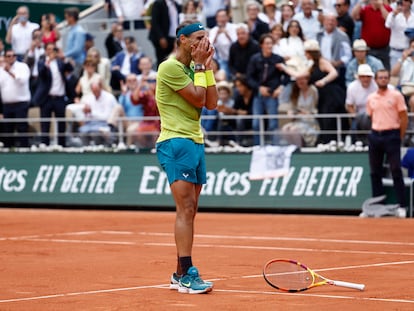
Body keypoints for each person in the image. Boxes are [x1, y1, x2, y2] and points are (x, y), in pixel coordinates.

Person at [155, 20, 217, 294]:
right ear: (182, 40)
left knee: (191, 211)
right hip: (175, 142)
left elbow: (213, 103)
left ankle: (180, 273)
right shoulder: (169, 67)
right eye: (198, 38)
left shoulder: (196, 68)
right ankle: (187, 271)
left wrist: (208, 68)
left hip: (195, 141)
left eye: (206, 37)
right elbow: (197, 99)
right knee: (186, 208)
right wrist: (202, 68)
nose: (203, 42)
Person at [366, 69, 408, 215]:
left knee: (396, 170)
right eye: (380, 78)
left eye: (385, 77)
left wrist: (399, 135)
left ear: (389, 79)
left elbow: (404, 118)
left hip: (392, 135)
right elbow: (371, 116)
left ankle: (402, 205)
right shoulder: (371, 97)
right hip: (375, 135)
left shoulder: (396, 95)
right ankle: (377, 206)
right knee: (375, 172)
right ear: (376, 80)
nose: (383, 80)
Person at [246, 33, 289, 145]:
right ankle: (257, 146)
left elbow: (287, 76)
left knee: (273, 123)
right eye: (267, 43)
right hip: (259, 94)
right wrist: (259, 88)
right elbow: (249, 77)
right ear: (261, 45)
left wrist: (281, 88)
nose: (269, 46)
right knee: (256, 123)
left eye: (271, 43)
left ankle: (273, 146)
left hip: (272, 93)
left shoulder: (278, 59)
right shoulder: (255, 59)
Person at [32, 43, 68, 146]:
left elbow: (69, 68)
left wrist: (63, 56)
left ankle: (62, 145)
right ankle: (45, 145)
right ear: (46, 51)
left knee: (61, 123)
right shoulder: (42, 62)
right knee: (45, 123)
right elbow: (41, 73)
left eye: (53, 50)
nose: (51, 52)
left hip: (59, 97)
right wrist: (48, 61)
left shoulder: (61, 62)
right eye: (49, 49)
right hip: (47, 98)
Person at [0, 49, 31, 147]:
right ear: (4, 58)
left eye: (13, 55)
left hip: (20, 103)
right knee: (8, 129)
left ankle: (24, 150)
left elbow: (22, 81)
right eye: (8, 56)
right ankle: (9, 150)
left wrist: (10, 72)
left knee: (22, 127)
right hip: (6, 105)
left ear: (16, 57)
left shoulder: (22, 67)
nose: (11, 58)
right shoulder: (1, 70)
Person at [352, 0, 392, 70]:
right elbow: (354, 16)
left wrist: (381, 6)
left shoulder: (387, 8)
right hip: (368, 49)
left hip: (384, 48)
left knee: (385, 71)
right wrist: (361, 2)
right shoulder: (366, 9)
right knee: (367, 70)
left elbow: (389, 20)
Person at [281, 74, 319, 147]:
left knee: (293, 130)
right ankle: (293, 147)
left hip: (310, 121)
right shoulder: (295, 92)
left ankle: (300, 148)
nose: (300, 82)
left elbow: (315, 108)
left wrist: (306, 112)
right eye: (298, 80)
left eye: (302, 79)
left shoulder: (313, 90)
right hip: (298, 120)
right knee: (285, 129)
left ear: (307, 80)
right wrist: (291, 113)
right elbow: (292, 108)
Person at [317, 12, 352, 89]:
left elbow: (348, 55)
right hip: (321, 67)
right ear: (323, 22)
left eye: (332, 20)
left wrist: (338, 62)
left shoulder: (343, 36)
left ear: (336, 23)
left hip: (337, 69)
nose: (330, 22)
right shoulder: (318, 35)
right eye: (328, 20)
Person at [345, 64, 378, 144]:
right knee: (354, 129)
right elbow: (349, 106)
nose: (366, 79)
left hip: (376, 115)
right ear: (359, 77)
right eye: (363, 76)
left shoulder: (376, 86)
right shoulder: (352, 87)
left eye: (368, 76)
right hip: (359, 115)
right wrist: (356, 116)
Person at [149, 0, 180, 68]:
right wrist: (161, 37)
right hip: (162, 37)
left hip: (173, 37)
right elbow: (155, 22)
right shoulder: (158, 3)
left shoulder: (176, 5)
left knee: (173, 59)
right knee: (161, 60)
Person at [208, 8, 237, 80]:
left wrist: (227, 34)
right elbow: (210, 45)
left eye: (224, 16)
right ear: (216, 18)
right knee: (225, 77)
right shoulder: (213, 30)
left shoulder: (234, 27)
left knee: (235, 78)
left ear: (227, 17)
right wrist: (216, 35)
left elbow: (236, 42)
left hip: (234, 58)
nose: (222, 19)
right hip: (222, 59)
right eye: (220, 17)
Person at [385, 0, 414, 69]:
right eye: (402, 1)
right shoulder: (393, 15)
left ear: (410, 3)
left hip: (410, 52)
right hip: (396, 51)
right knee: (395, 75)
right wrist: (394, 14)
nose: (404, 3)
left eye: (406, 1)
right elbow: (387, 25)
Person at [63, 7, 86, 78]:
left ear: (72, 18)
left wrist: (64, 55)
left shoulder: (79, 31)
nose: (66, 19)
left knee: (73, 84)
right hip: (71, 62)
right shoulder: (72, 30)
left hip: (77, 63)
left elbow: (77, 49)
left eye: (66, 17)